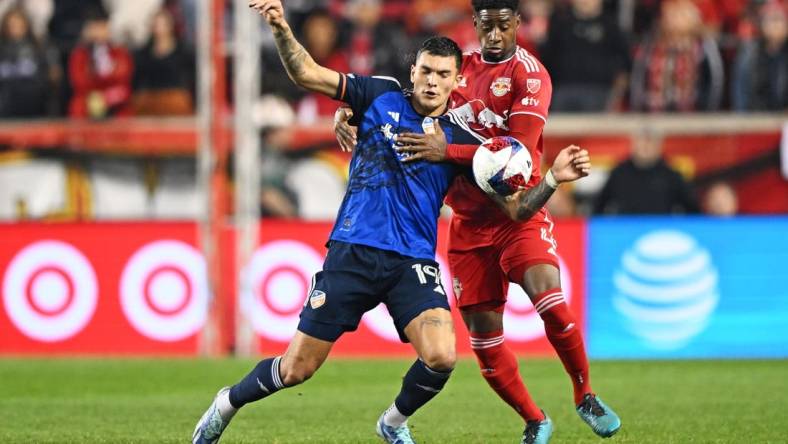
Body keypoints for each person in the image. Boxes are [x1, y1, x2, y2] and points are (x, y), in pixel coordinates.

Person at [335, 1, 620, 442]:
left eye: (503, 26)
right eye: (486, 26)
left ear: (517, 25)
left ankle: (584, 393)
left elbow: (516, 156)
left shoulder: (531, 76)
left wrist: (446, 152)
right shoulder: (455, 69)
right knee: (485, 343)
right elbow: (399, 98)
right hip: (467, 223)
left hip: (515, 213)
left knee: (551, 301)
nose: (494, 35)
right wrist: (350, 111)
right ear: (475, 25)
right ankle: (534, 419)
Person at [593, 130, 700, 215]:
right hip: (626, 230)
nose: (646, 147)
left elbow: (691, 208)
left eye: (650, 143)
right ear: (634, 145)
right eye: (642, 142)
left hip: (659, 232)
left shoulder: (670, 175)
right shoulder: (619, 173)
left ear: (658, 146)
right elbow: (600, 204)